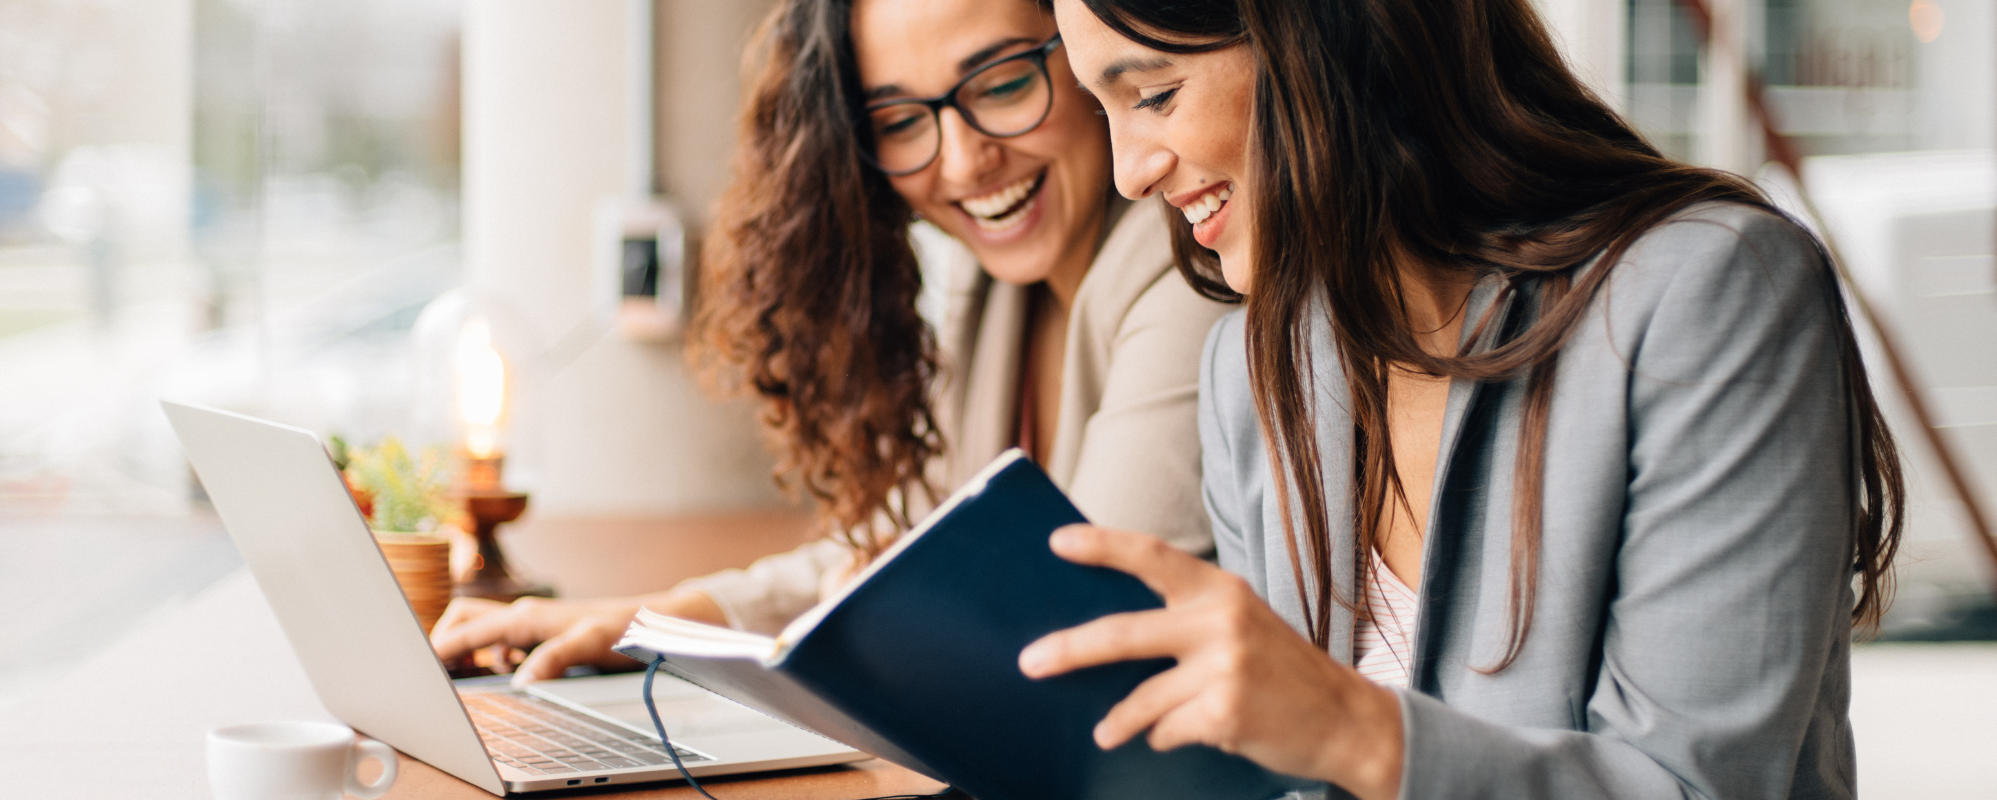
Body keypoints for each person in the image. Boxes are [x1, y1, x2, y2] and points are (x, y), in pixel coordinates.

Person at [1017, 1, 1906, 799]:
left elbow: (1693, 786)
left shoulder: (1709, 294)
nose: (1128, 173)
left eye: (1155, 95)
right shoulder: (1252, 373)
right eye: (1103, 110)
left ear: (1328, 32)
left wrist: (1348, 728)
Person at [431, 0, 1231, 683]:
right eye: (900, 121)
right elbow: (896, 549)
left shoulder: (1186, 268)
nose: (964, 162)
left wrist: (878, 614)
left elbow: (1077, 624)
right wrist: (653, 621)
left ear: (1088, 51)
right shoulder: (992, 290)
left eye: (1003, 84)